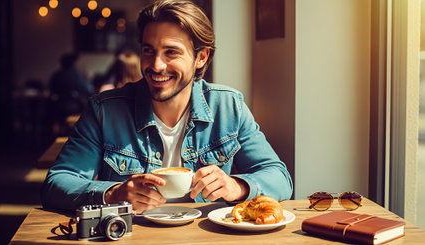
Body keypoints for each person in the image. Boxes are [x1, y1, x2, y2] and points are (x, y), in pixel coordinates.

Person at [41, 0, 293, 212]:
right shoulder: (104, 110)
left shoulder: (228, 106)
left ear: (201, 57)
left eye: (171, 52)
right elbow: (56, 184)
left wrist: (237, 186)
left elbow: (279, 178)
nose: (156, 65)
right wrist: (113, 193)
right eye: (148, 51)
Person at [48, 53, 93, 134]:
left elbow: (52, 90)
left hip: (59, 106)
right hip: (75, 106)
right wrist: (87, 79)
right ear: (74, 62)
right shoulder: (76, 74)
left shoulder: (57, 74)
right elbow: (88, 90)